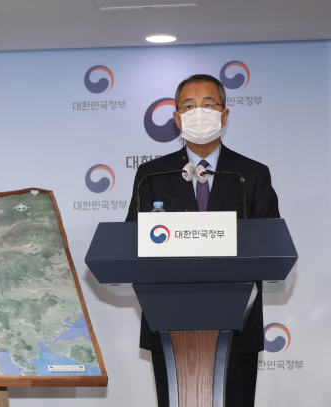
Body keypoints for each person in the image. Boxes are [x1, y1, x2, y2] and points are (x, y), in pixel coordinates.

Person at [125, 74, 280, 407]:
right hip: (169, 323)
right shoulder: (153, 175)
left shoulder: (250, 175)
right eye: (189, 106)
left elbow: (271, 244)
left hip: (236, 325)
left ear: (224, 115)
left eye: (208, 105)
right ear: (177, 118)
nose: (199, 113)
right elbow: (131, 242)